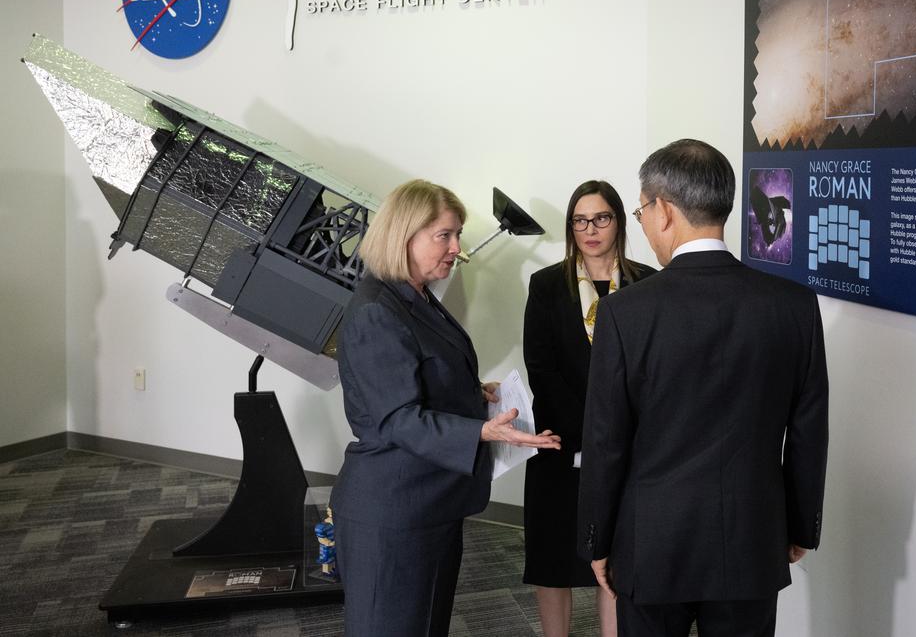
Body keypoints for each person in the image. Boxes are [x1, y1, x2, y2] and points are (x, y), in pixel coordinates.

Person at [577, 140, 829, 637]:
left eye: (642, 210)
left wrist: (597, 540)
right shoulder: (794, 306)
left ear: (664, 210)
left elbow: (606, 442)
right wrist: (799, 526)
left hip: (651, 544)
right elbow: (808, 432)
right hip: (752, 539)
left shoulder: (625, 313)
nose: (644, 224)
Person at [332, 179, 560, 637]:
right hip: (393, 511)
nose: (457, 248)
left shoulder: (414, 298)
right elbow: (396, 418)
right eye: (445, 235)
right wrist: (483, 432)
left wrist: (473, 391)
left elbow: (417, 377)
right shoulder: (378, 310)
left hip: (429, 505)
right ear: (404, 236)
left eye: (457, 235)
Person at [523, 180, 657, 637]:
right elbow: (540, 367)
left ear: (619, 221)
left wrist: (617, 431)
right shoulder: (546, 285)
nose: (591, 229)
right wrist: (591, 428)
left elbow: (653, 370)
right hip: (561, 441)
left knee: (615, 559)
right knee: (553, 557)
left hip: (628, 446)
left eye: (601, 218)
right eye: (580, 221)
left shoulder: (648, 283)